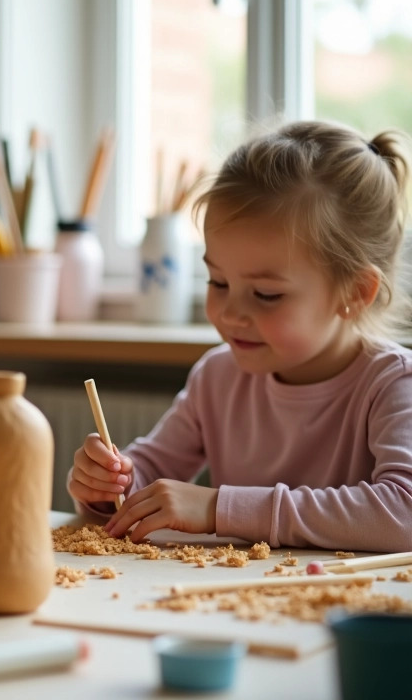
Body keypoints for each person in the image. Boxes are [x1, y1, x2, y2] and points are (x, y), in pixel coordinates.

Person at [69, 120, 412, 552]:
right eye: (217, 282)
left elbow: (404, 514)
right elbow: (148, 475)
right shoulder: (217, 376)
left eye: (266, 294)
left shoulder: (393, 384)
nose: (230, 313)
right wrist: (106, 485)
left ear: (355, 293)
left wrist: (219, 508)